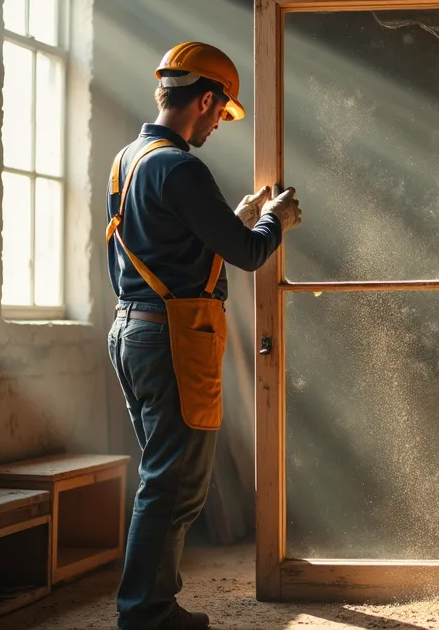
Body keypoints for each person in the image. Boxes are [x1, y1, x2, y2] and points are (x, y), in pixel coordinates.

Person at [104, 41, 302, 630]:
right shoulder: (181, 166)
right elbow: (247, 254)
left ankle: (149, 607)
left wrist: (234, 218)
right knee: (175, 484)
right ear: (207, 99)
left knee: (163, 476)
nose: (220, 124)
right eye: (222, 112)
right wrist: (274, 221)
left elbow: (172, 246)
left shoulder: (131, 158)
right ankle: (146, 614)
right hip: (171, 338)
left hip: (133, 329)